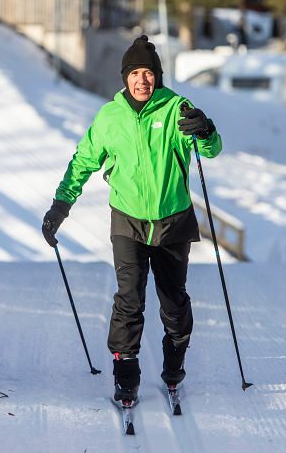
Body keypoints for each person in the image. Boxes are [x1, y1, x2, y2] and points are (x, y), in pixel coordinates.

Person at [42, 35, 222, 404]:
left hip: (173, 220)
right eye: (135, 73)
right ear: (125, 77)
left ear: (158, 76)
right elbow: (83, 161)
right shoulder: (109, 117)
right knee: (129, 299)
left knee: (174, 302)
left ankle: (174, 366)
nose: (143, 80)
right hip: (128, 220)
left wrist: (205, 129)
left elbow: (210, 149)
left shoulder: (176, 107)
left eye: (149, 73)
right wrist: (61, 205)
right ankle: (126, 376)